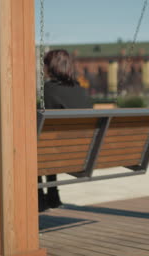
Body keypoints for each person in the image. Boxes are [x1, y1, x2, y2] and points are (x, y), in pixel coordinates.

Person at [38, 49, 92, 212]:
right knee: (48, 142)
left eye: (44, 65)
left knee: (34, 145)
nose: (43, 69)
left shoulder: (48, 89)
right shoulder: (81, 89)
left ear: (51, 67)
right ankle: (53, 196)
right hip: (81, 154)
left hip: (57, 152)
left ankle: (39, 199)